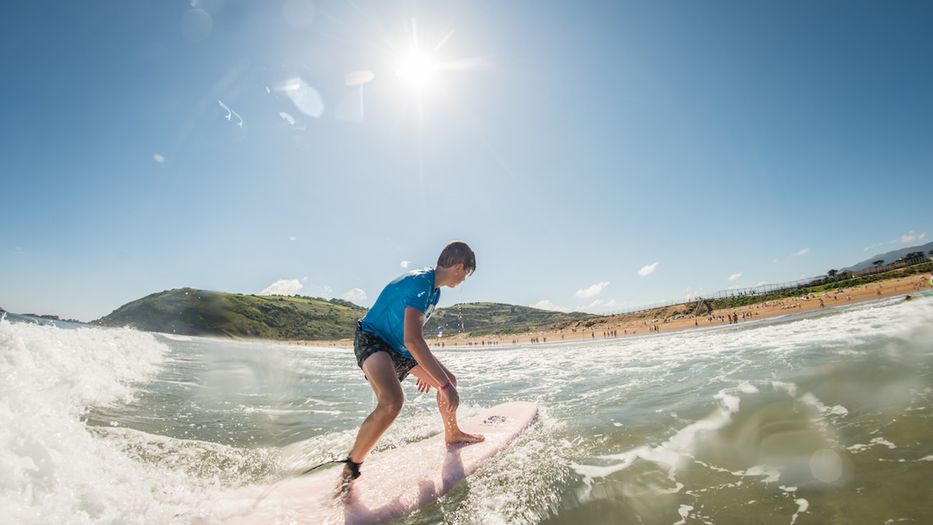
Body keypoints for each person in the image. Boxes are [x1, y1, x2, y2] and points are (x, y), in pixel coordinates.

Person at [335, 241, 484, 497]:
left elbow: (413, 339)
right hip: (373, 339)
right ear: (459, 267)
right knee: (392, 402)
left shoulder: (434, 290)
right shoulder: (420, 284)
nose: (464, 280)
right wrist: (442, 384)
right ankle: (351, 468)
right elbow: (413, 340)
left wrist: (435, 375)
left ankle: (452, 434)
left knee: (449, 379)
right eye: (466, 274)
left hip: (399, 347)